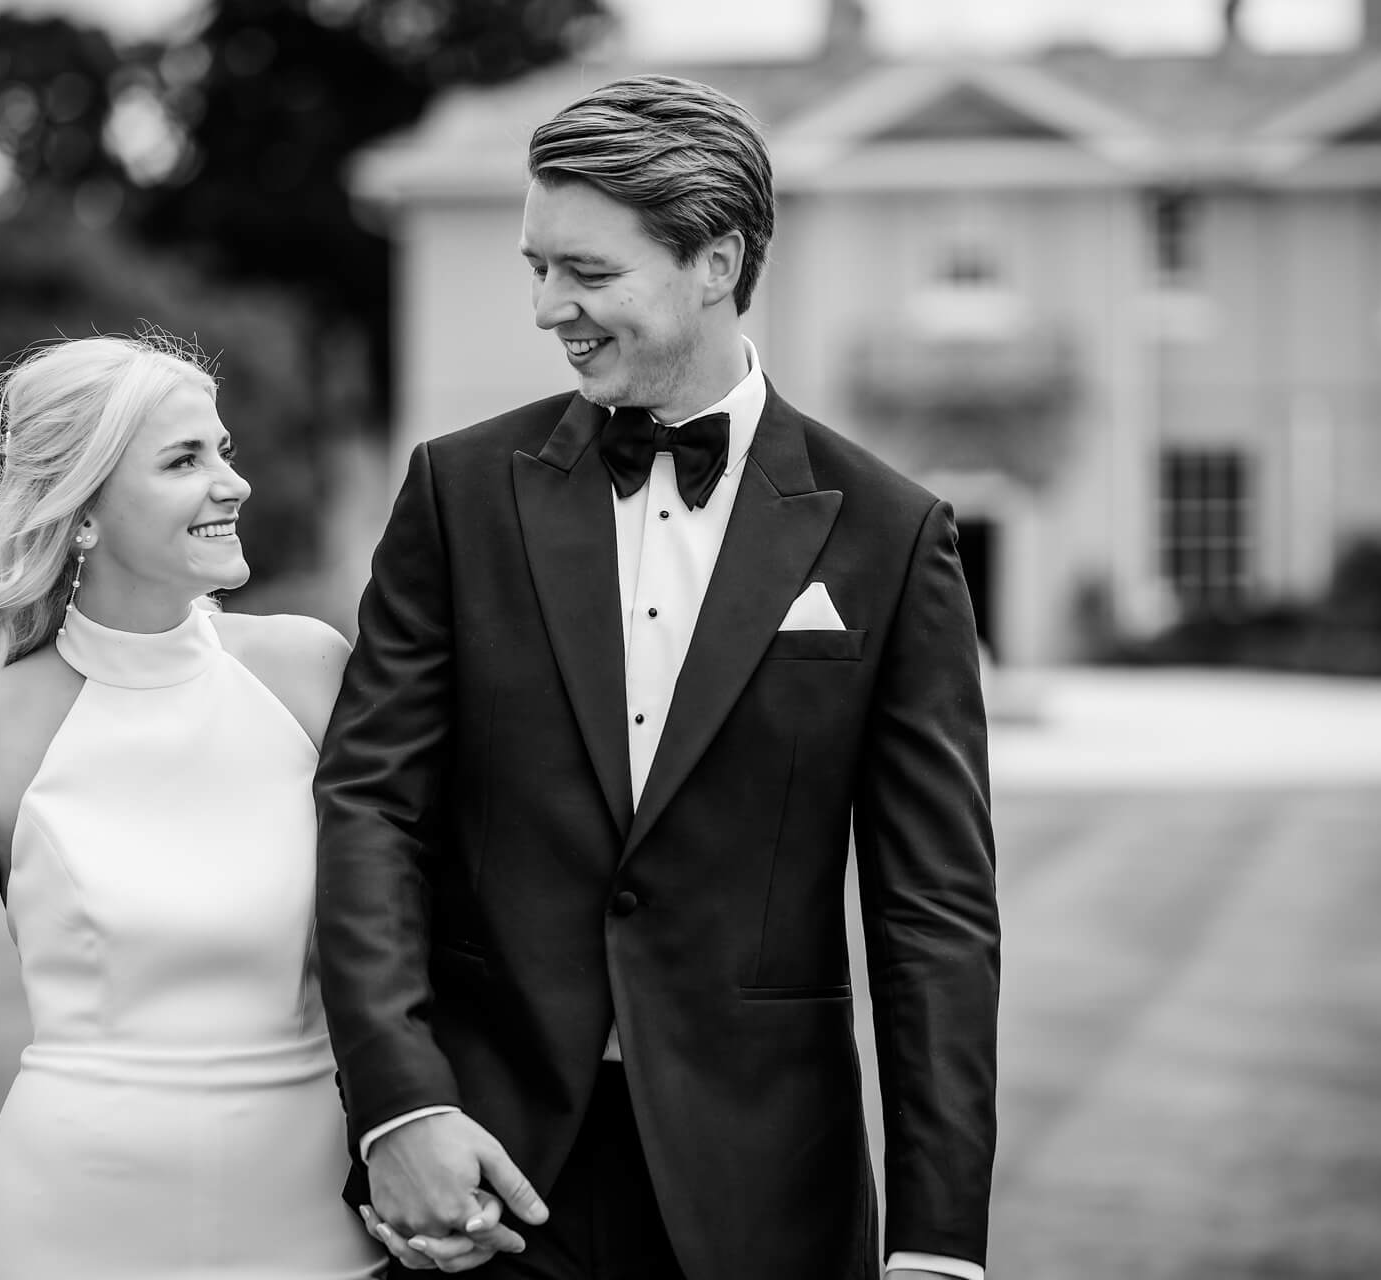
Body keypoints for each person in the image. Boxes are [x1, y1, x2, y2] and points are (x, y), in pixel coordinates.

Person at [316, 75, 1000, 1280]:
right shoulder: (459, 494)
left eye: (586, 272)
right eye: (535, 266)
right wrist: (401, 1106)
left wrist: (940, 1246)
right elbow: (371, 807)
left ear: (716, 260)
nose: (547, 307)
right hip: (490, 1179)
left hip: (769, 1192)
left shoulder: (891, 535)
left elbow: (932, 913)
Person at [0, 334, 392, 1279]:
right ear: (83, 517)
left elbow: (424, 947)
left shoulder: (310, 673)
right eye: (184, 460)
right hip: (71, 1228)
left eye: (223, 451)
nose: (231, 483)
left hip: (316, 1224)